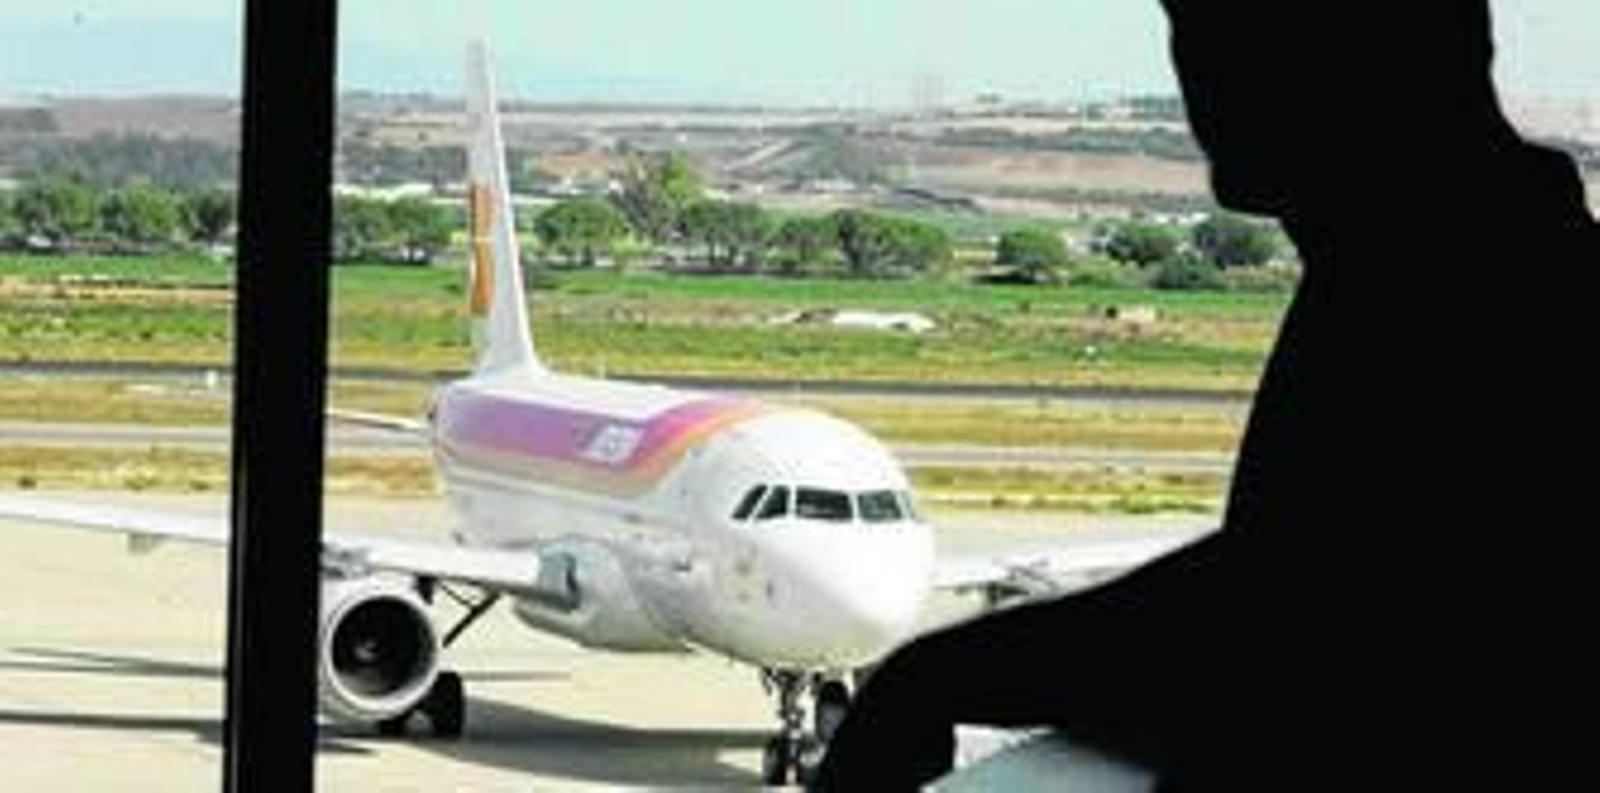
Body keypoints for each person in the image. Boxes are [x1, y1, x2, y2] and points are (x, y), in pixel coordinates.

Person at [813, 2, 1599, 789]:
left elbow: (1291, 611)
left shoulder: (1466, 297)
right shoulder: (1439, 269)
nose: (1199, 70)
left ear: (1376, 60)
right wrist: (938, 677)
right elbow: (1297, 576)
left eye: (1229, 28)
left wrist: (931, 680)